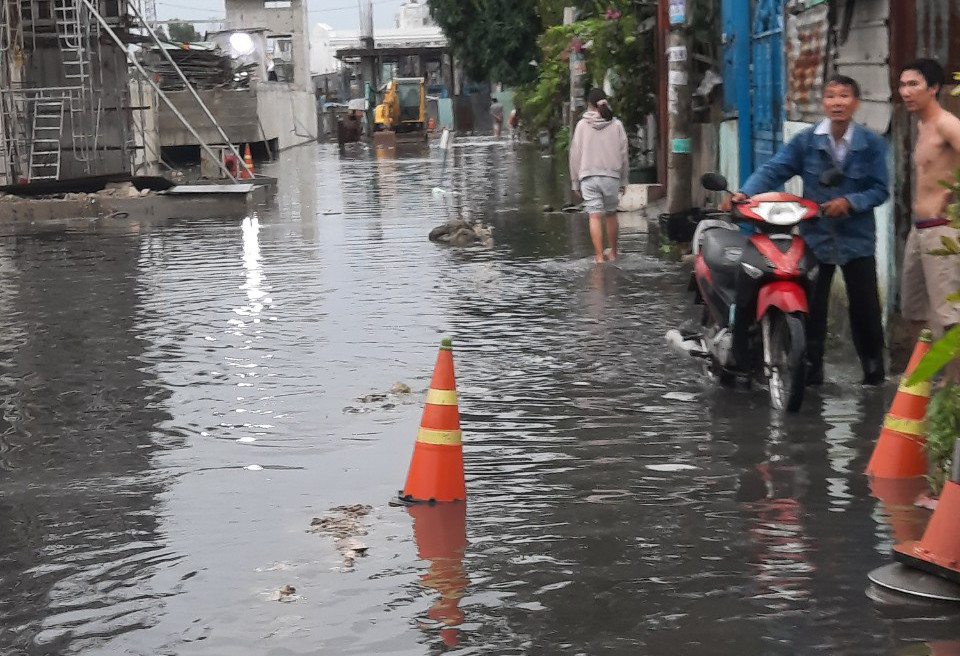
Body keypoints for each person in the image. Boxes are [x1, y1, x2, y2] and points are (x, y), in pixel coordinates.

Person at [724, 75, 889, 385]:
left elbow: (880, 190)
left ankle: (873, 375)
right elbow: (776, 169)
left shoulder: (872, 144)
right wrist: (746, 193)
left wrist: (850, 202)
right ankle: (810, 374)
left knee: (865, 309)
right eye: (831, 96)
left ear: (855, 103)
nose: (837, 102)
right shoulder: (806, 141)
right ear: (823, 103)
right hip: (816, 235)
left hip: (858, 239)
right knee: (812, 307)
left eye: (844, 96)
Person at [898, 59, 960, 362]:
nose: (906, 92)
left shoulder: (947, 124)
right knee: (913, 312)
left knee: (949, 319)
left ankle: (952, 392)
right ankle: (926, 384)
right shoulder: (922, 126)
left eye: (914, 85)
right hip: (919, 231)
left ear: (933, 88)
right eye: (903, 85)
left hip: (943, 230)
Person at [569, 88, 629, 263]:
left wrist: (575, 182)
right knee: (611, 214)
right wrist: (624, 179)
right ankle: (613, 254)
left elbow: (575, 155)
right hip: (611, 177)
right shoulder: (616, 125)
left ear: (589, 105)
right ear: (605, 102)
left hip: (588, 177)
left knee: (594, 216)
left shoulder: (581, 126)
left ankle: (598, 257)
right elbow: (624, 153)